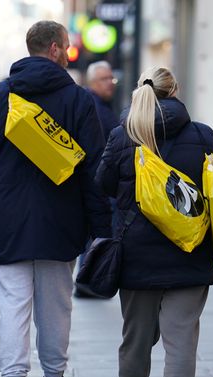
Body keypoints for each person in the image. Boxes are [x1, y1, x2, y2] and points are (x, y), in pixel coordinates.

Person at [0, 20, 111, 377]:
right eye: (68, 47)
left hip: (6, 222)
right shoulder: (78, 101)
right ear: (57, 49)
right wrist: (101, 228)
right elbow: (94, 170)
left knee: (14, 308)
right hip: (62, 220)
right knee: (56, 307)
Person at [95, 66, 213, 377]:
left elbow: (103, 182)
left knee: (135, 338)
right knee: (181, 338)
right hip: (191, 251)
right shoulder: (203, 136)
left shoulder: (125, 136)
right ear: (176, 91)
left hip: (136, 256)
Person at [74, 60, 121, 299]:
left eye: (111, 78)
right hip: (97, 182)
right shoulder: (94, 107)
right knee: (98, 229)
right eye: (105, 79)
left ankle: (88, 278)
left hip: (96, 182)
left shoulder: (99, 105)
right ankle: (88, 278)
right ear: (92, 81)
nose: (111, 83)